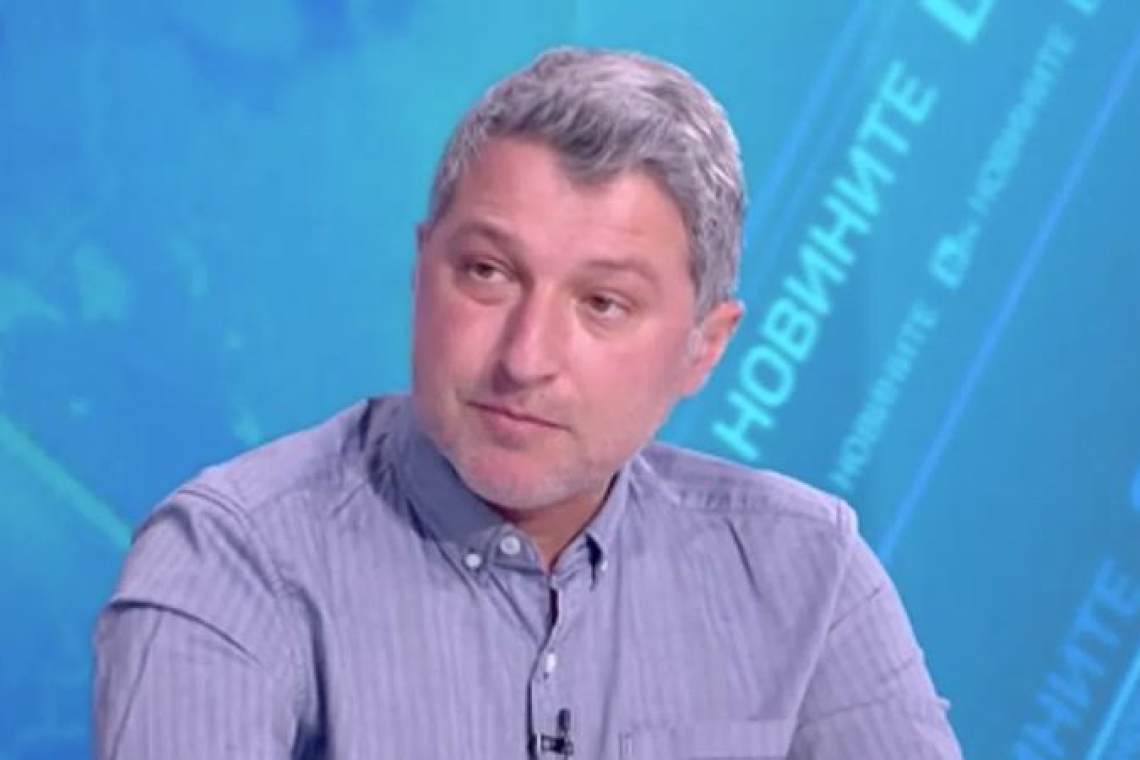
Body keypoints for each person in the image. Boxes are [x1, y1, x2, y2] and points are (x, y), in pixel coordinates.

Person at [93, 47, 963, 759]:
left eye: (603, 304)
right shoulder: (230, 560)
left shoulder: (807, 571)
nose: (525, 359)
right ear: (423, 270)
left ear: (704, 346)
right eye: (488, 273)